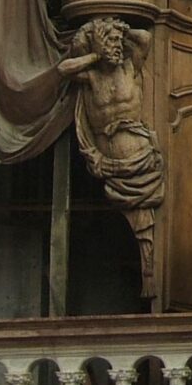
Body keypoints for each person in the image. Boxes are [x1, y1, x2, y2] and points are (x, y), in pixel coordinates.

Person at [58, 17, 164, 299]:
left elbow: (146, 39)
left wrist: (122, 30)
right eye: (111, 42)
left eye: (118, 43)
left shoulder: (131, 67)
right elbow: (63, 69)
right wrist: (95, 54)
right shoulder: (92, 77)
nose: (117, 47)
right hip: (109, 164)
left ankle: (150, 274)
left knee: (147, 227)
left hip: (141, 160)